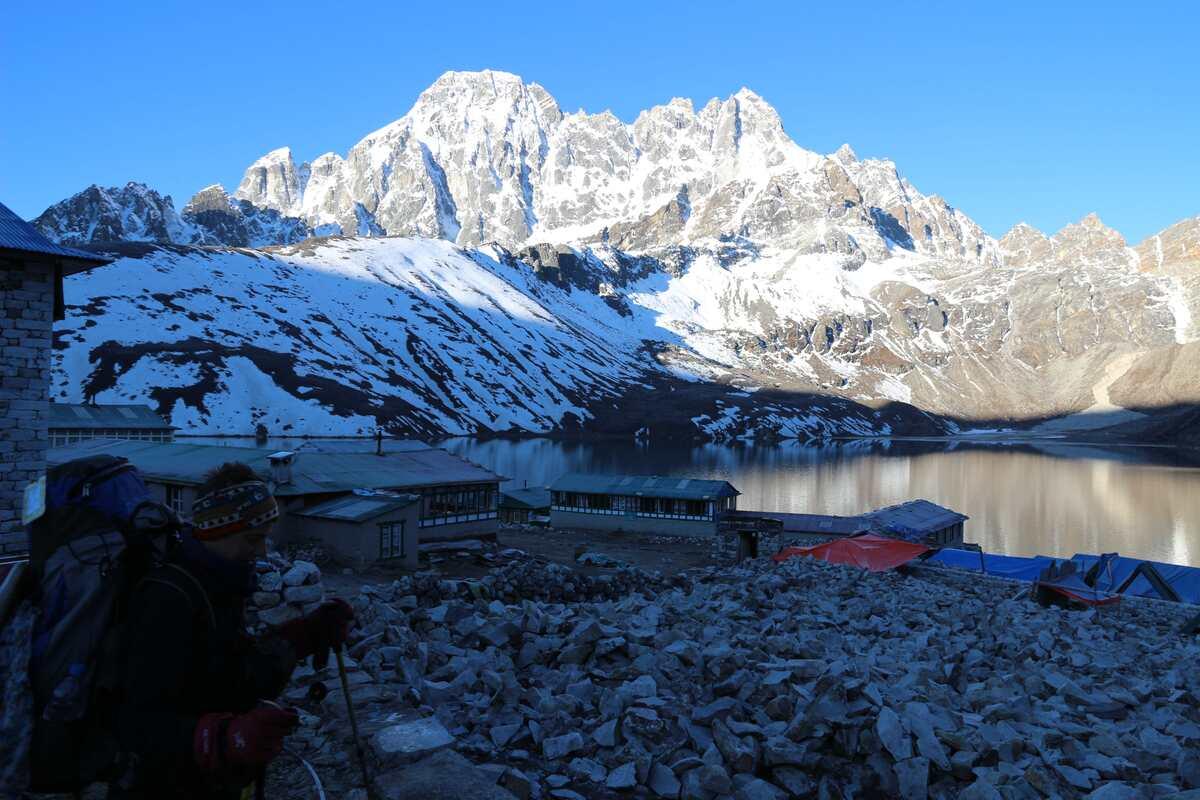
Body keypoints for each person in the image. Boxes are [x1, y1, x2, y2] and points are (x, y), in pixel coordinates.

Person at [109, 462, 354, 799]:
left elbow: (232, 674)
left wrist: (306, 634)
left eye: (265, 538)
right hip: (167, 786)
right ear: (215, 531)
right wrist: (222, 738)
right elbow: (135, 723)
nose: (262, 551)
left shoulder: (219, 583)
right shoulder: (167, 597)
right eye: (253, 538)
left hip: (213, 779)